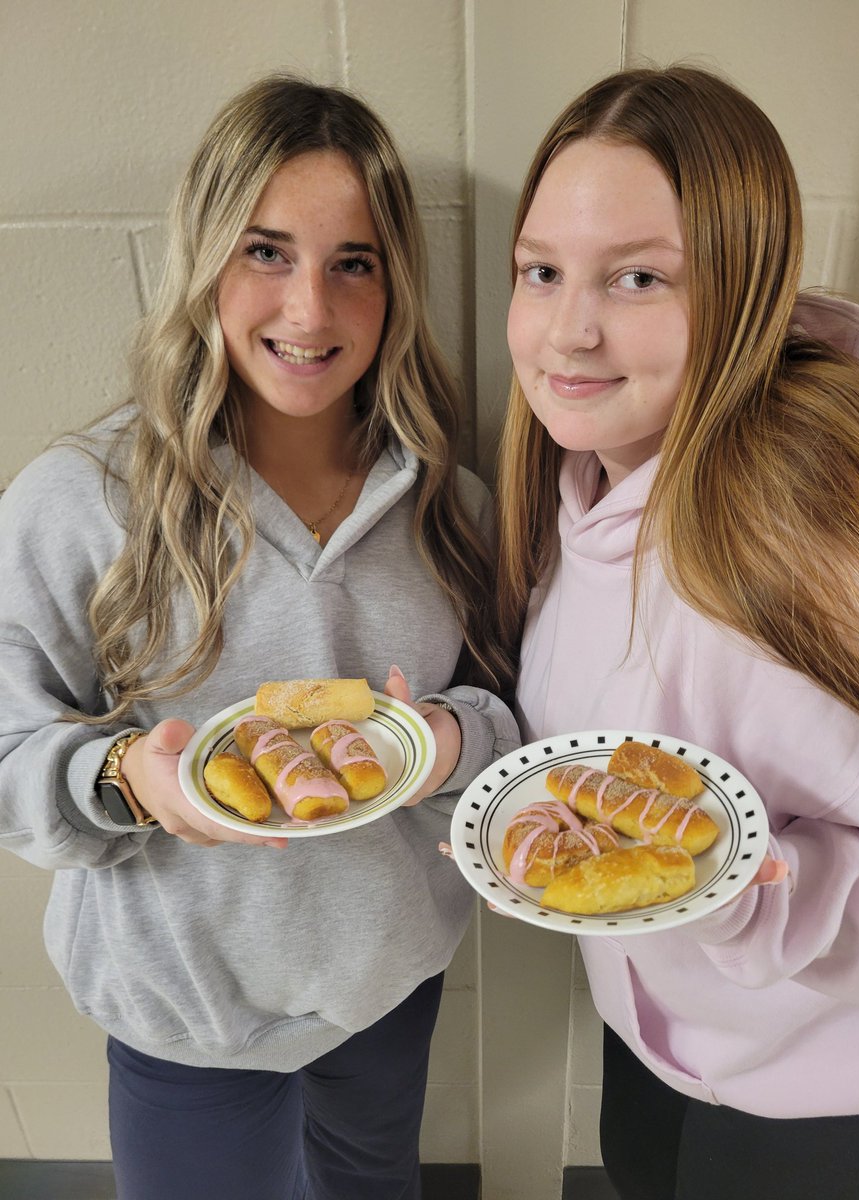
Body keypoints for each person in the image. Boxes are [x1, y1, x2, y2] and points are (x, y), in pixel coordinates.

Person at [0, 73, 517, 1200]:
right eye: (265, 252)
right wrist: (128, 778)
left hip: (388, 983)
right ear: (202, 260)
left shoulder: (457, 510)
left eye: (354, 263)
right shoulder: (78, 500)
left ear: (397, 285)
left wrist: (446, 742)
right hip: (182, 1008)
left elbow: (508, 723)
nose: (310, 312)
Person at [495, 65, 859, 1200]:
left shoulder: (820, 551)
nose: (568, 332)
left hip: (817, 1094)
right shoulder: (578, 480)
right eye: (542, 271)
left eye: (637, 278)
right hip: (657, 1041)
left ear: (741, 289)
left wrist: (740, 884)